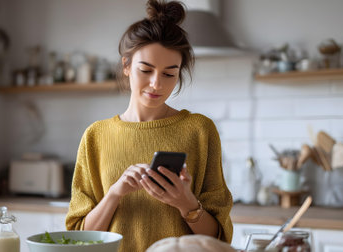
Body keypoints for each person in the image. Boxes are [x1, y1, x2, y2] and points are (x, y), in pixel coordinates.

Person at [65, 0, 233, 251]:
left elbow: (219, 239)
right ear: (126, 66)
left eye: (169, 74)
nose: (157, 84)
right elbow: (78, 239)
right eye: (146, 70)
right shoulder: (96, 136)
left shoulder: (200, 130)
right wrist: (114, 194)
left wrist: (186, 203)